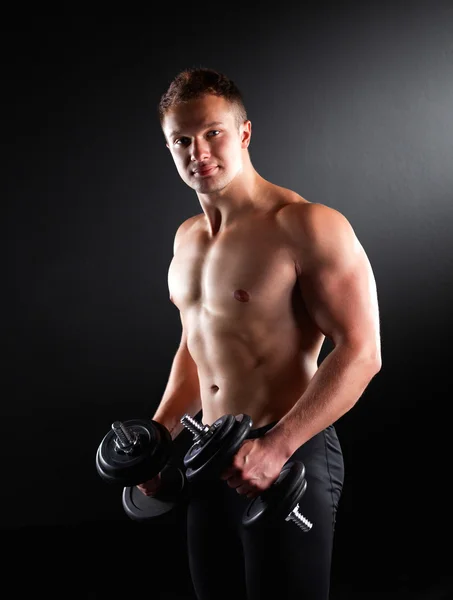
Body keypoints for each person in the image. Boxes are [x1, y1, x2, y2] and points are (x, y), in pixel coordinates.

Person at [138, 67, 382, 600]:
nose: (197, 151)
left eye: (213, 133)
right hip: (210, 457)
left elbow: (362, 353)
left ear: (244, 133)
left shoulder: (305, 225)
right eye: (181, 139)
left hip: (288, 453)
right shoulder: (187, 240)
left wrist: (277, 447)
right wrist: (158, 439)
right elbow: (195, 348)